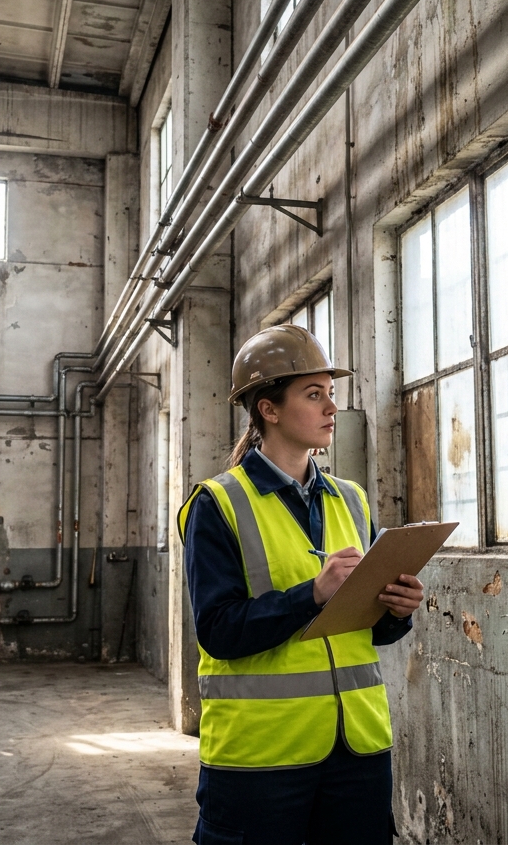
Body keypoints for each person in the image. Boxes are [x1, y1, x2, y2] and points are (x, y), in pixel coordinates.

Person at [178, 324, 425, 845]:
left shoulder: (351, 500)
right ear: (268, 409)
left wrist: (397, 610)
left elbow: (366, 631)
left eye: (331, 395)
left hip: (356, 748)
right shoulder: (217, 504)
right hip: (261, 757)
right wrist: (312, 594)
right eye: (315, 396)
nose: (331, 408)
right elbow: (218, 631)